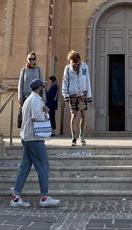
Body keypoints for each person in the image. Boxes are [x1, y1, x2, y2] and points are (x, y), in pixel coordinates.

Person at [10, 78, 60, 208]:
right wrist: (46, 114)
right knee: (43, 166)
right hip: (34, 138)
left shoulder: (28, 99)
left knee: (24, 168)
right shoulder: (36, 100)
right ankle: (44, 197)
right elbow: (38, 116)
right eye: (42, 87)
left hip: (26, 137)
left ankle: (15, 196)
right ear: (39, 88)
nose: (44, 89)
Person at [62, 51, 92, 146]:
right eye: (73, 62)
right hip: (73, 95)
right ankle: (73, 137)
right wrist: (66, 96)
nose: (75, 64)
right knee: (74, 116)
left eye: (76, 61)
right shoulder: (67, 69)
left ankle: (82, 136)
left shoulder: (84, 67)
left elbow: (87, 80)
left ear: (79, 60)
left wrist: (89, 95)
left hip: (82, 95)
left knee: (83, 116)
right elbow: (65, 82)